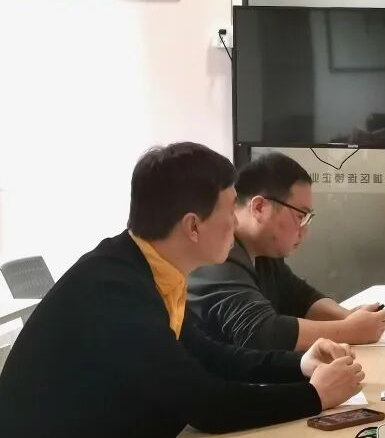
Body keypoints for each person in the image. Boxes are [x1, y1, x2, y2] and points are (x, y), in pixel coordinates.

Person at [0, 143, 364, 438]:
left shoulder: (150, 269)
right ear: (193, 227)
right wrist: (315, 395)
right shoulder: (113, 291)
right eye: (229, 210)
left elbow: (212, 357)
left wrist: (300, 364)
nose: (236, 221)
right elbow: (207, 406)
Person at [188, 152, 385, 351]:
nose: (305, 229)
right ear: (259, 207)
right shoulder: (217, 254)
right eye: (300, 216)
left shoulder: (263, 251)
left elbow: (300, 297)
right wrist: (350, 330)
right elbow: (259, 332)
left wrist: (347, 316)